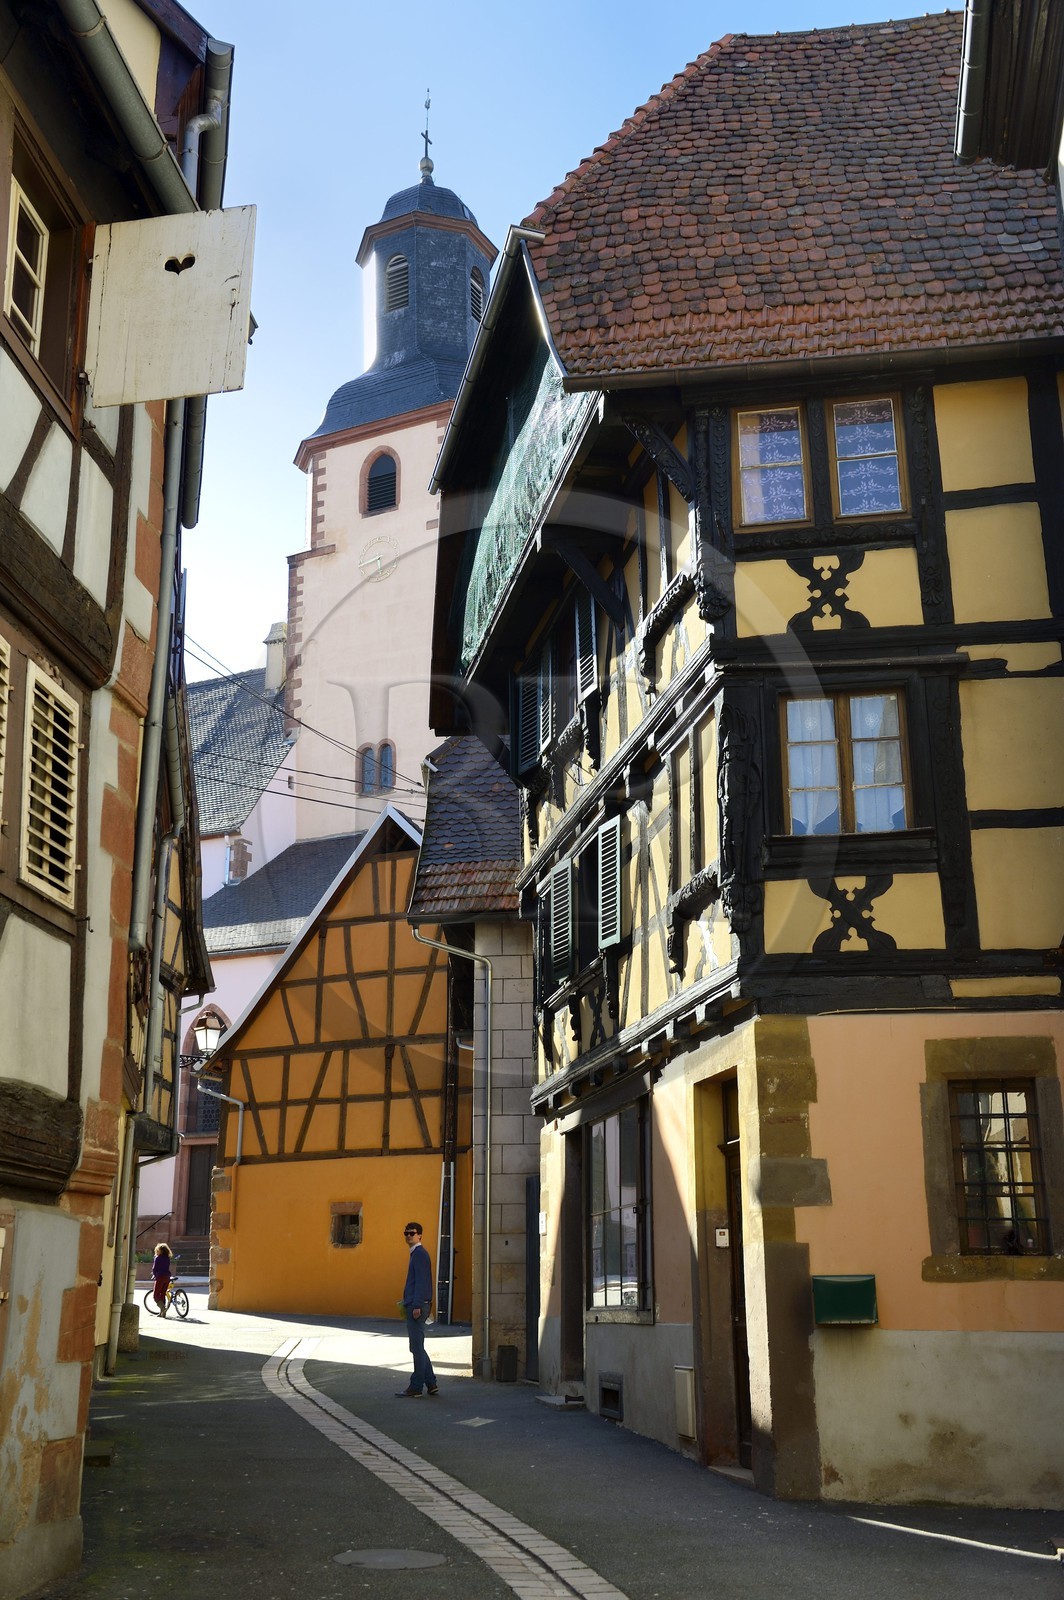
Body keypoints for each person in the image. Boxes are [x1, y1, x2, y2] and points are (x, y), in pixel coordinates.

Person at [396, 1222, 437, 1396]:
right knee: (418, 1346)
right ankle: (431, 1383)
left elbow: (421, 1281)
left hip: (417, 1305)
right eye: (406, 1233)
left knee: (416, 1347)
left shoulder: (419, 1254)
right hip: (416, 1303)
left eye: (411, 1233)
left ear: (419, 1235)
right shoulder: (417, 1254)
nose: (408, 1236)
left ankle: (416, 1386)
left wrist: (417, 1305)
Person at [151, 1242, 174, 1316]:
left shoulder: (157, 1258)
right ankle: (162, 1313)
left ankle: (163, 1309)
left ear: (161, 1251)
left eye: (158, 1250)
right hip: (167, 1277)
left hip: (160, 1277)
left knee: (156, 1295)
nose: (157, 1252)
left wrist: (154, 1275)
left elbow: (154, 1269)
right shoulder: (167, 1258)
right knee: (162, 1294)